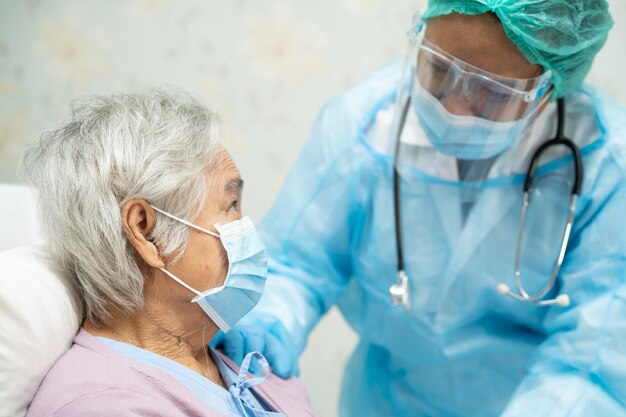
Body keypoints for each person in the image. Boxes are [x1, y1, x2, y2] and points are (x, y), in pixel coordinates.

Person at [216, 1, 626, 416]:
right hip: (385, 403)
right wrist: (269, 322)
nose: (454, 107)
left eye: (492, 91)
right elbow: (297, 266)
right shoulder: (365, 128)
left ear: (549, 86)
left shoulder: (606, 164)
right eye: (439, 69)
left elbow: (593, 361)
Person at [22, 90, 320, 417]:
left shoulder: (235, 357)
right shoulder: (101, 405)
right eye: (231, 205)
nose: (247, 227)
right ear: (146, 231)